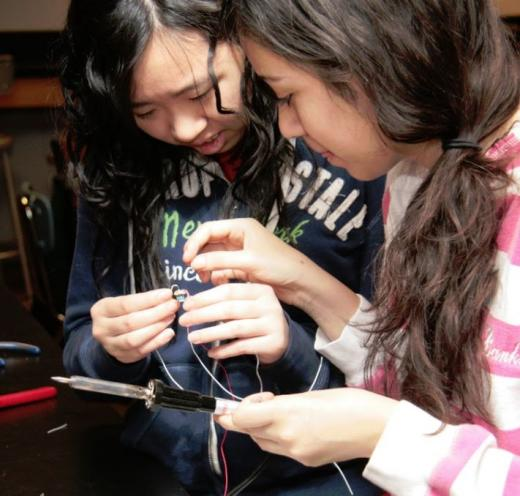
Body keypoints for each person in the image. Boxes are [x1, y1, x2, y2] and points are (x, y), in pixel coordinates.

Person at [178, 0, 520, 494]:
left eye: (287, 95)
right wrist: (299, 278)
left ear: (368, 60)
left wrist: (377, 431)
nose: (287, 126)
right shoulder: (413, 171)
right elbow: (423, 386)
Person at [59, 0, 385, 494]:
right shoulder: (122, 168)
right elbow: (80, 356)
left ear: (248, 39)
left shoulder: (345, 147)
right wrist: (107, 349)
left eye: (202, 93)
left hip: (326, 475)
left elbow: (405, 377)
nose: (186, 129)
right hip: (165, 470)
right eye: (145, 109)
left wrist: (291, 350)